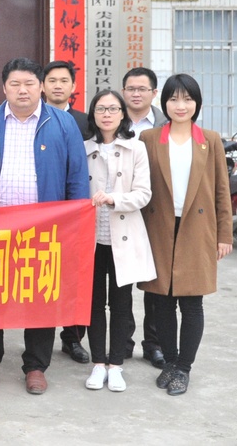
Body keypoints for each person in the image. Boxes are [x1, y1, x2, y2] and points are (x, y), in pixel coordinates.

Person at [0, 57, 89, 395]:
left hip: (45, 230)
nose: (23, 90)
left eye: (29, 83)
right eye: (15, 84)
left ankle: (36, 365)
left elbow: (77, 178)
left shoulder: (63, 123)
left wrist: (74, 226)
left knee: (41, 297)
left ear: (41, 87)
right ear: (4, 87)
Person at [138, 74, 233, 396]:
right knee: (161, 302)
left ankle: (183, 368)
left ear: (197, 103)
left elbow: (221, 191)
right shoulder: (150, 138)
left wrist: (224, 235)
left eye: (188, 99)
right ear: (164, 102)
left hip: (198, 228)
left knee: (192, 303)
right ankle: (170, 362)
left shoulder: (211, 139)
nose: (181, 105)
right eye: (174, 99)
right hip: (159, 228)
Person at [82, 89, 156, 392]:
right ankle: (98, 363)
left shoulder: (136, 148)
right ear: (93, 114)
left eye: (113, 109)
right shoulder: (84, 148)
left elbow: (144, 193)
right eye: (101, 109)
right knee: (93, 303)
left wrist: (114, 199)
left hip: (123, 238)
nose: (107, 114)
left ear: (123, 114)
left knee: (121, 303)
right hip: (90, 238)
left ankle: (116, 365)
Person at [40, 60, 90, 364]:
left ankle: (72, 338)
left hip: (70, 214)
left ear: (74, 86)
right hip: (38, 214)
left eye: (64, 81)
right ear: (42, 85)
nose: (58, 86)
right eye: (52, 80)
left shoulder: (84, 122)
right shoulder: (32, 118)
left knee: (72, 279)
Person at [121, 66, 168, 367]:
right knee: (121, 283)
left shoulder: (168, 124)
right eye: (131, 89)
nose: (136, 94)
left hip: (157, 212)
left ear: (154, 93)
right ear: (123, 92)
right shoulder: (111, 119)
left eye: (142, 89)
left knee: (155, 281)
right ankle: (122, 342)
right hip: (119, 211)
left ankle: (154, 344)